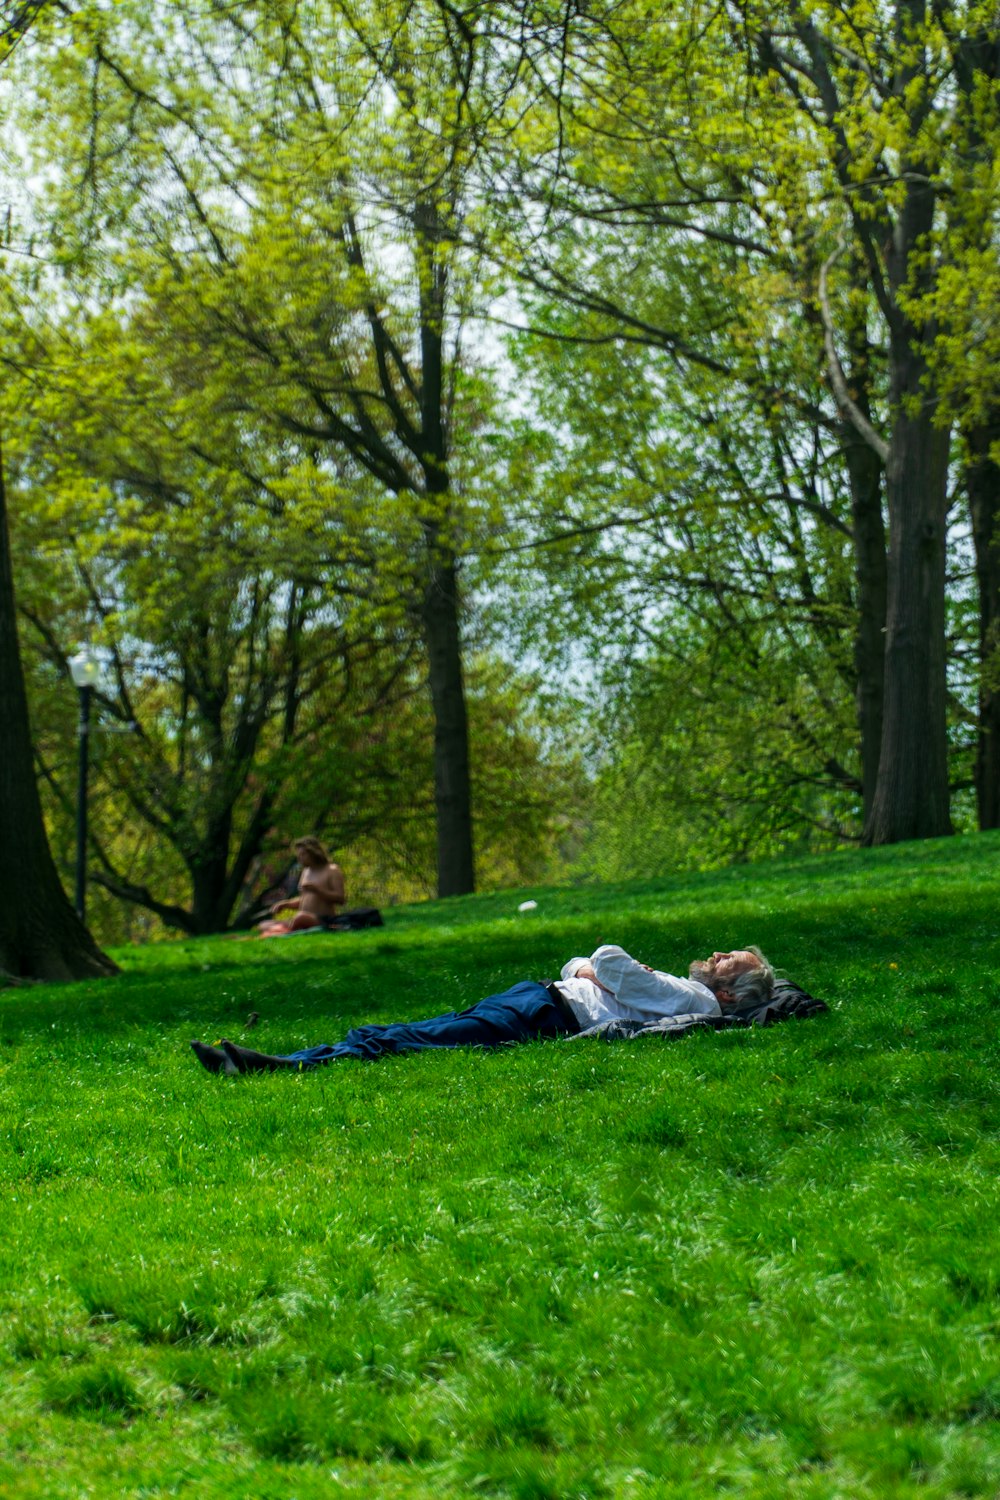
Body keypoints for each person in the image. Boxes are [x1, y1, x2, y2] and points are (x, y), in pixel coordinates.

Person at [190, 944, 774, 1074]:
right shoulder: (683, 987)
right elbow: (582, 964)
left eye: (731, 961)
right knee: (421, 1031)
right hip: (538, 999)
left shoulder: (696, 998)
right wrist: (595, 972)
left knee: (417, 1039)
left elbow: (605, 958)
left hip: (546, 1017)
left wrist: (601, 972)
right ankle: (275, 1061)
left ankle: (281, 1067)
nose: (717, 954)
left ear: (729, 993)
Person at [257, 837, 345, 936]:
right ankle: (286, 929)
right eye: (298, 855)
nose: (299, 858)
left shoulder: (332, 870)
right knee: (264, 924)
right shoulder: (306, 872)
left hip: (323, 919)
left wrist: (317, 890)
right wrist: (285, 904)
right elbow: (305, 899)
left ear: (314, 853)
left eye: (303, 855)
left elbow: (340, 899)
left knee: (301, 917)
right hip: (302, 918)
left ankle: (284, 930)